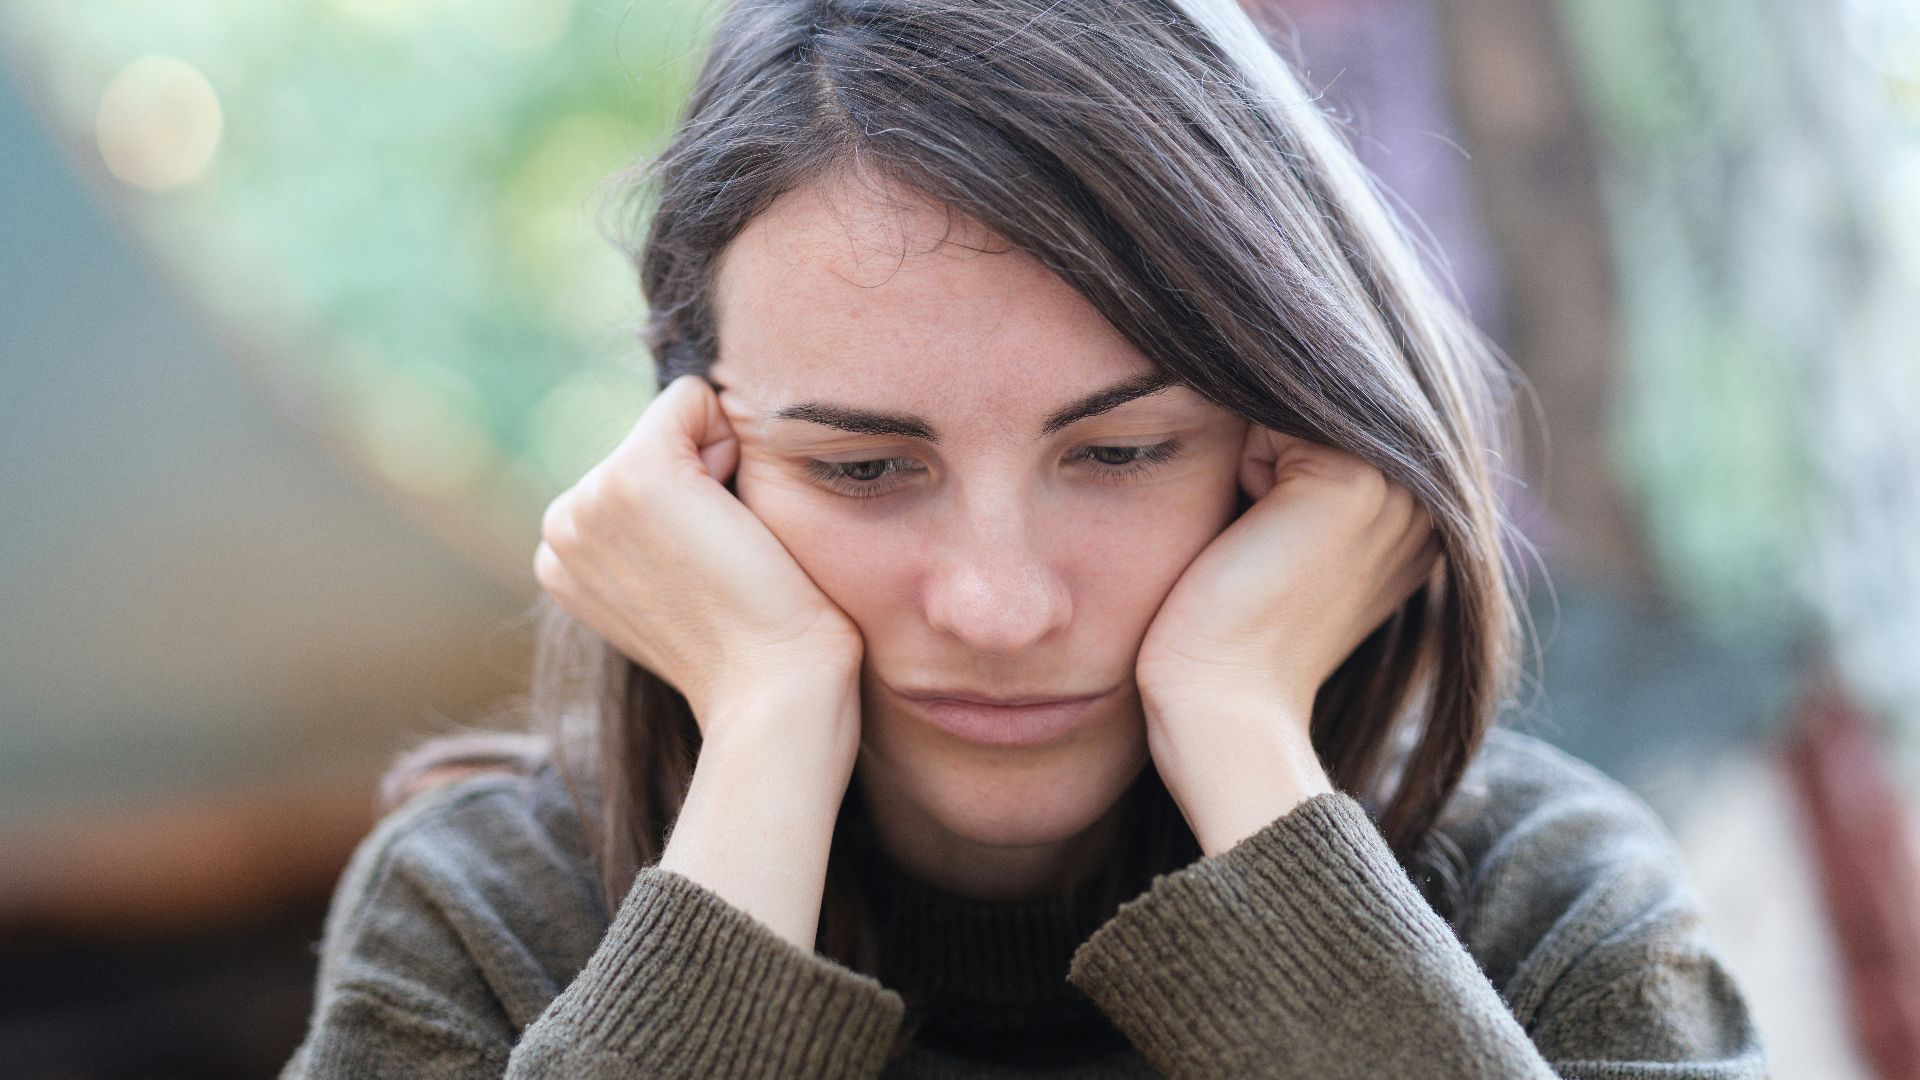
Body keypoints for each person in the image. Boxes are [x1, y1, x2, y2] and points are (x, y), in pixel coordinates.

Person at [283, 0, 1769, 1076]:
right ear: (696, 456)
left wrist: (1240, 730)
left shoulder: (1546, 907)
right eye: (864, 466)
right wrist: (764, 747)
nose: (997, 604)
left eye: (1119, 452)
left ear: (1295, 450)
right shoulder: (484, 917)